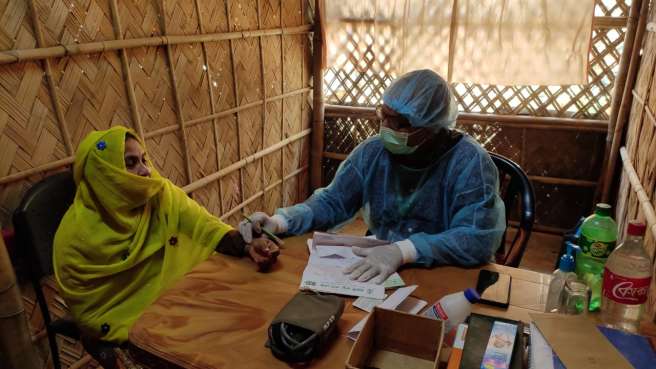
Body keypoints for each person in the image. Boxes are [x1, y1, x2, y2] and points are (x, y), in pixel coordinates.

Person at [240, 69, 505, 284]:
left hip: (447, 273)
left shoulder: (469, 164)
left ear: (433, 127)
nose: (386, 128)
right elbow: (333, 201)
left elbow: (476, 238)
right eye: (384, 116)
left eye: (400, 123)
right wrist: (279, 222)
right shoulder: (373, 152)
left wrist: (404, 251)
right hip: (379, 264)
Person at [53, 126, 278, 343]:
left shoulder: (160, 195)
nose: (146, 170)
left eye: (144, 159)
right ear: (103, 174)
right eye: (130, 163)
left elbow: (204, 225)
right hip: (124, 322)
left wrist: (247, 246)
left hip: (183, 299)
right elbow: (88, 308)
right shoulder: (73, 240)